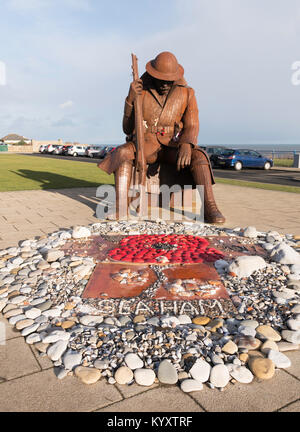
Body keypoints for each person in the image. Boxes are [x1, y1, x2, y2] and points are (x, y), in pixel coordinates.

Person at [98, 51, 225, 224]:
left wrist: (187, 144)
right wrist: (130, 99)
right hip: (146, 144)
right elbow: (126, 128)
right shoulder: (140, 91)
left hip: (172, 146)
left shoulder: (187, 93)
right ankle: (120, 206)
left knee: (199, 156)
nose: (165, 84)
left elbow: (192, 124)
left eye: (169, 80)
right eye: (161, 79)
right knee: (123, 153)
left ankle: (210, 207)